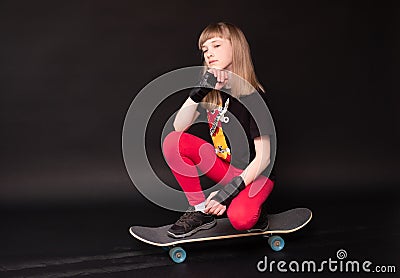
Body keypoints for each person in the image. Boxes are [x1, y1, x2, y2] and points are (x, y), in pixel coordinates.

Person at [162, 22, 276, 238]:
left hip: (258, 175)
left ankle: (255, 211)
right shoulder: (214, 93)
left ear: (236, 48)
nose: (209, 54)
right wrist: (199, 92)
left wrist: (227, 193)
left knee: (241, 219)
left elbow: (264, 159)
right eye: (205, 49)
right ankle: (199, 212)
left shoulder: (253, 97)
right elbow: (179, 127)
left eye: (216, 45)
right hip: (226, 168)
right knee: (173, 141)